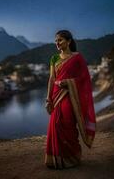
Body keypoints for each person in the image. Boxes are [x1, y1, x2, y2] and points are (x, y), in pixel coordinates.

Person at [45, 30, 96, 169]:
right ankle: (56, 159)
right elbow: (52, 79)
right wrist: (48, 98)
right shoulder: (54, 58)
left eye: (60, 40)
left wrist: (69, 82)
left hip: (70, 95)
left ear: (68, 41)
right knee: (55, 124)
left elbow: (85, 79)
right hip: (56, 95)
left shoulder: (77, 58)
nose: (57, 43)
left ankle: (72, 156)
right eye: (56, 41)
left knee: (67, 123)